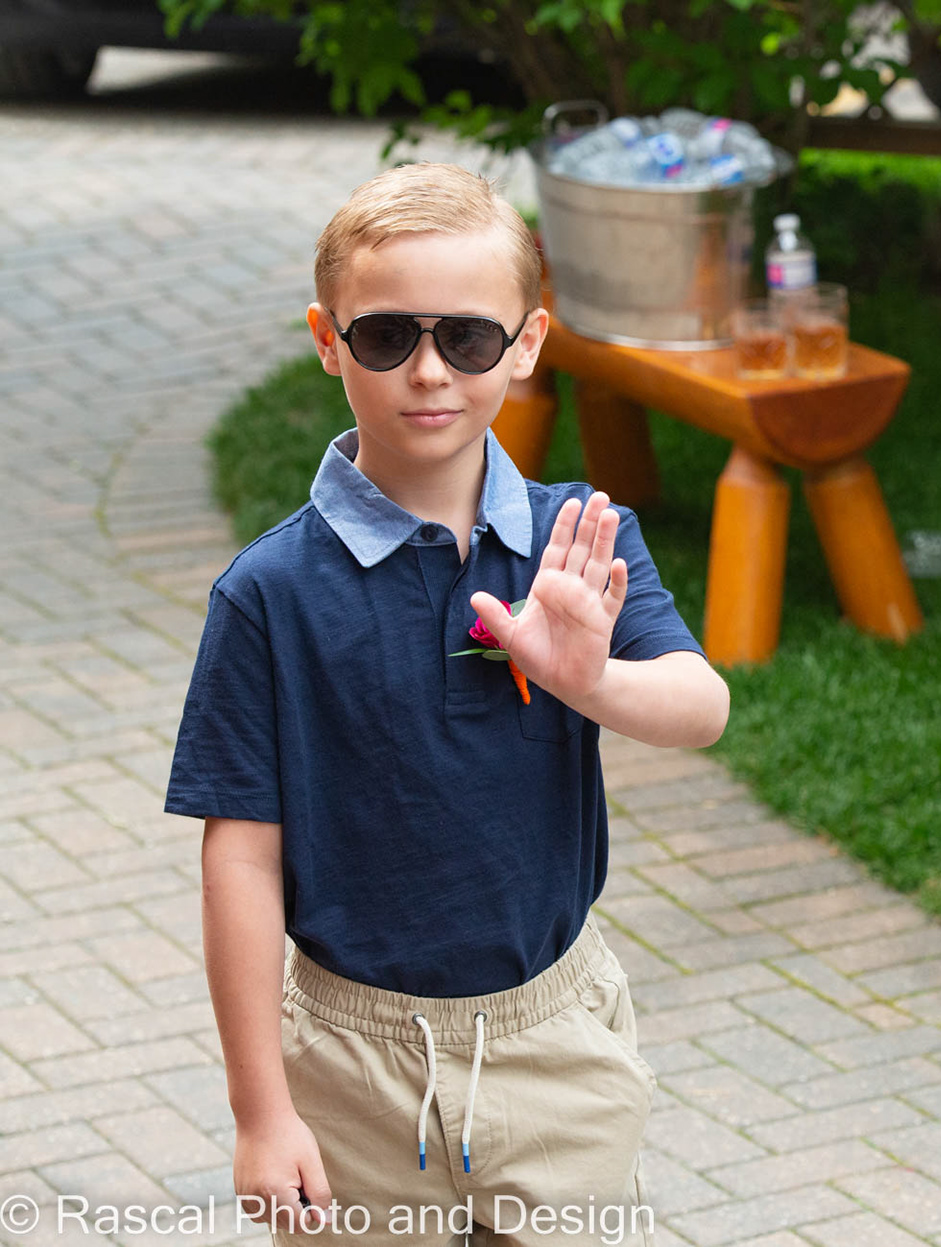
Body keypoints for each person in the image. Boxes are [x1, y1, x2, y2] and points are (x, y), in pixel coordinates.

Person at [164, 161, 729, 1247]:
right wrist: (259, 1108)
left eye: (468, 339)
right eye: (387, 337)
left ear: (526, 343)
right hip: (349, 1061)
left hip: (554, 1033)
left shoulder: (576, 540)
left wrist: (587, 676)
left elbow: (700, 705)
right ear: (328, 341)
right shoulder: (268, 594)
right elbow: (239, 855)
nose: (428, 371)